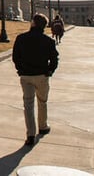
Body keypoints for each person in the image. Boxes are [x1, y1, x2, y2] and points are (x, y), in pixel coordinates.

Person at [12, 13, 59, 146]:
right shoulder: (48, 41)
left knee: (28, 105)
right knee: (42, 102)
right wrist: (50, 71)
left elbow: (16, 57)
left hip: (26, 76)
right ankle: (43, 126)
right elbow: (54, 59)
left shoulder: (21, 38)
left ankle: (30, 134)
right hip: (42, 76)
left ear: (32, 23)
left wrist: (20, 69)